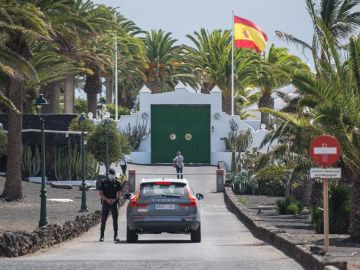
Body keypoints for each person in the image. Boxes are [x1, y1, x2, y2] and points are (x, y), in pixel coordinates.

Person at [98, 168, 122, 242]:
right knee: (103, 219)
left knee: (115, 219)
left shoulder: (117, 182)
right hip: (106, 202)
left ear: (114, 175)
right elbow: (100, 193)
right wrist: (107, 199)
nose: (111, 176)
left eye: (112, 174)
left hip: (114, 203)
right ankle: (102, 236)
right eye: (110, 174)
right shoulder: (103, 182)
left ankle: (116, 236)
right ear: (108, 174)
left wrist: (115, 199)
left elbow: (119, 193)